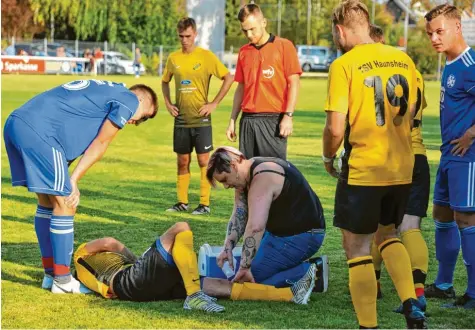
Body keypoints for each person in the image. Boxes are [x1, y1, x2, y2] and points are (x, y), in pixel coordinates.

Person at [322, 1, 426, 328]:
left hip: (365, 168)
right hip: (401, 166)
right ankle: (412, 302)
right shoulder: (403, 58)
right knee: (389, 234)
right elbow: (411, 114)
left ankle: (368, 324)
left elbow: (335, 127)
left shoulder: (344, 65)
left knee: (357, 248)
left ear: (340, 30)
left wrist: (328, 156)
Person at [3, 80, 158, 294]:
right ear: (140, 98)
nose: (136, 121)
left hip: (17, 123)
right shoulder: (129, 98)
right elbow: (101, 143)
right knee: (66, 203)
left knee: (47, 202)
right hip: (40, 131)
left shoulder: (106, 91)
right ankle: (63, 281)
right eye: (143, 116)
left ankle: (51, 275)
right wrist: (74, 180)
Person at [74, 222, 316, 309]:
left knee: (218, 285)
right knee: (180, 228)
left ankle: (289, 295)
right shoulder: (81, 254)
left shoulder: (86, 272)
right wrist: (135, 260)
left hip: (142, 287)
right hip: (129, 282)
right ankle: (194, 295)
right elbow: (110, 242)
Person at [206, 146, 328, 293]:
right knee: (249, 271)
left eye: (225, 179)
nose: (226, 186)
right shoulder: (244, 176)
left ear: (233, 166)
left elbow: (256, 227)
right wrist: (228, 247)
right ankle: (296, 268)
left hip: (304, 235)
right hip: (280, 233)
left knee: (252, 281)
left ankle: (313, 272)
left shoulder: (263, 176)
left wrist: (245, 267)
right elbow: (239, 213)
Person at [368, 24, 430, 312]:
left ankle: (374, 282)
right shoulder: (412, 70)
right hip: (418, 156)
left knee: (382, 228)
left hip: (391, 156)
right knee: (410, 227)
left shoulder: (371, 70)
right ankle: (418, 293)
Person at [424, 4, 475, 309]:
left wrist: (471, 133)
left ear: (457, 27)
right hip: (446, 155)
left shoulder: (471, 63)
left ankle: (474, 292)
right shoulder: (449, 64)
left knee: (466, 218)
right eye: (430, 32)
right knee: (441, 215)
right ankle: (444, 284)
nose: (433, 38)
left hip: (466, 156)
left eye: (439, 31)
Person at [162, 17, 234, 215]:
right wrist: (168, 103)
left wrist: (214, 103)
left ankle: (204, 204)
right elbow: (164, 81)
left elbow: (229, 77)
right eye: (181, 36)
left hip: (201, 120)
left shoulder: (206, 57)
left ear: (195, 35)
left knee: (204, 161)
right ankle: (182, 202)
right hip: (181, 120)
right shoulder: (173, 58)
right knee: (182, 162)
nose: (184, 40)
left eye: (188, 36)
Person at [226, 3, 301, 160]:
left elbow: (294, 83)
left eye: (252, 29)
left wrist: (288, 116)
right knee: (247, 174)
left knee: (273, 173)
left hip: (273, 120)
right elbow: (241, 88)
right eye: (244, 30)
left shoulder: (284, 46)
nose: (249, 34)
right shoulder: (244, 52)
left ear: (264, 23)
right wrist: (233, 119)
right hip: (248, 120)